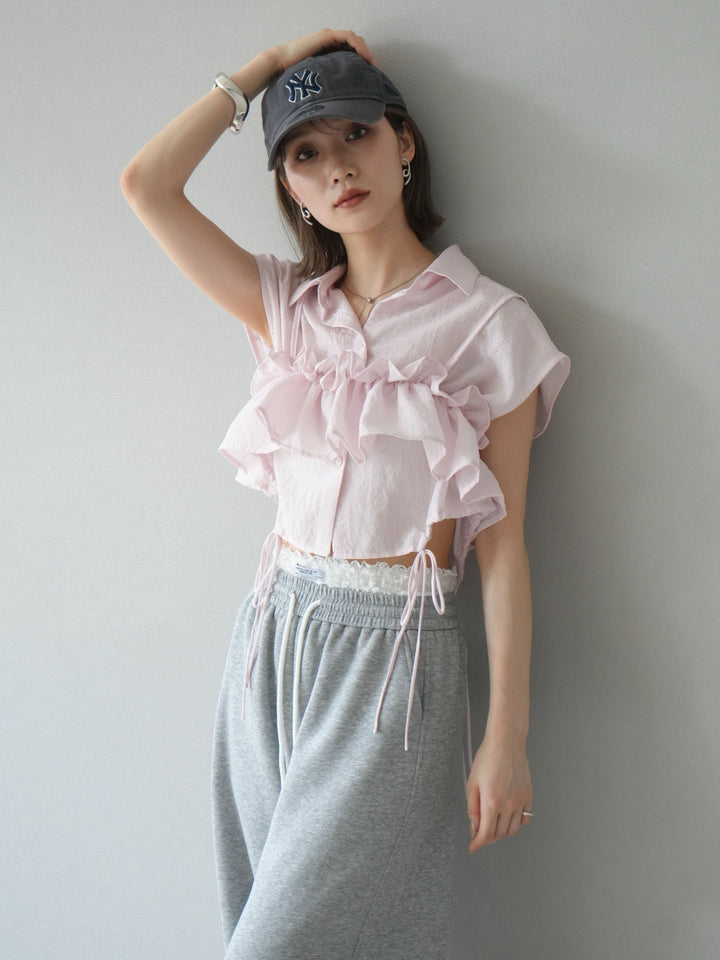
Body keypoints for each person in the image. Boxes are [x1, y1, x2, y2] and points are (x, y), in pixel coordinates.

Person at [120, 28, 570, 960]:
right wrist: (264, 67)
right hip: (270, 640)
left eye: (356, 134)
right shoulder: (289, 310)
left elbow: (505, 549)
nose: (337, 168)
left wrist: (506, 737)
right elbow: (147, 186)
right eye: (305, 154)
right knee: (257, 918)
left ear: (403, 141)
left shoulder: (492, 325)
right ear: (291, 188)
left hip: (395, 657)